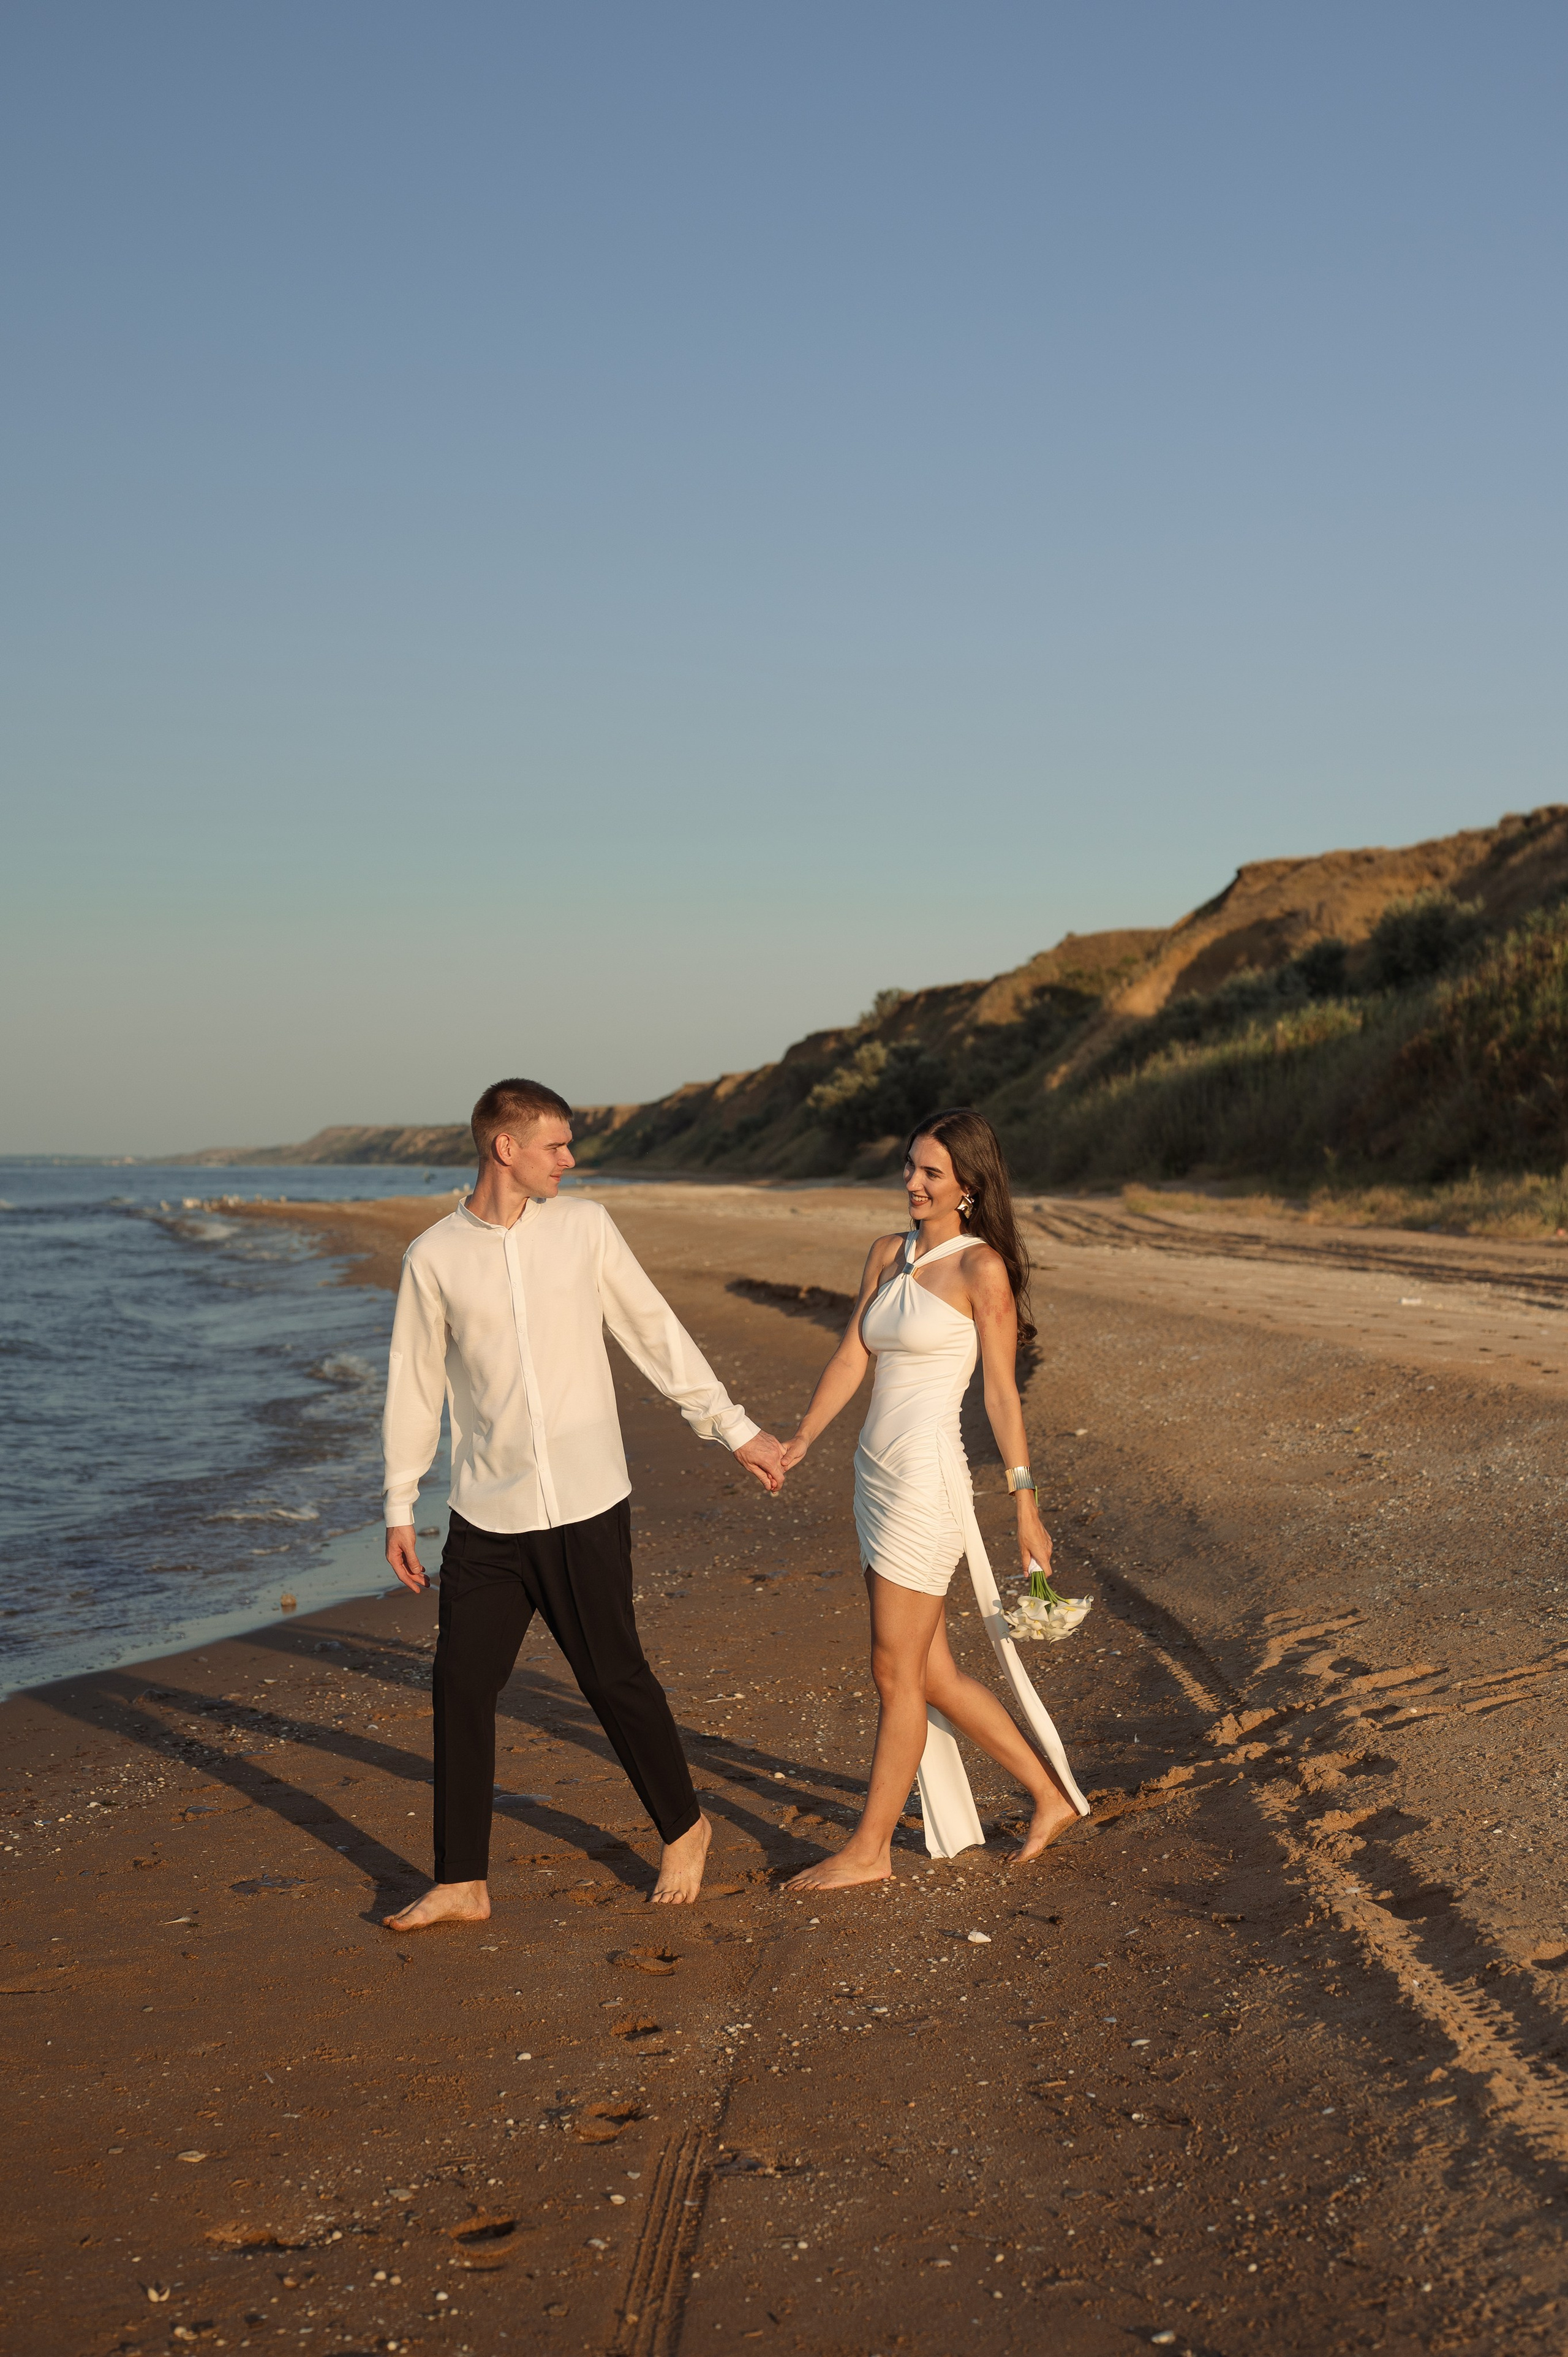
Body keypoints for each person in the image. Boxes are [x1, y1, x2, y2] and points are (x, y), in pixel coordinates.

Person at [379, 1077, 786, 1927]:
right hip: (488, 1513)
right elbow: (415, 1387)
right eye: (556, 1146)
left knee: (611, 1676)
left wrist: (733, 1428)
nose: (571, 1159)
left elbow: (652, 1329)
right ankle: (462, 1880)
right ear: (506, 1148)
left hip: (588, 1501)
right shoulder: (434, 1257)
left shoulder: (586, 1229)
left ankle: (685, 1827)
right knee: (460, 1684)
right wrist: (398, 1501)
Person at [778, 1107, 1090, 1889]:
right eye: (910, 1166)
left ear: (969, 1187)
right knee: (932, 1672)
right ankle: (1049, 1797)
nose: (912, 1183)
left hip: (927, 1480)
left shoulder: (981, 1268)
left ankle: (870, 1850)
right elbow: (854, 1354)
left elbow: (999, 1393)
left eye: (930, 1173)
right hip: (873, 1475)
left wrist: (1024, 1503)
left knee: (894, 1672)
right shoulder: (888, 1253)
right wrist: (802, 1438)